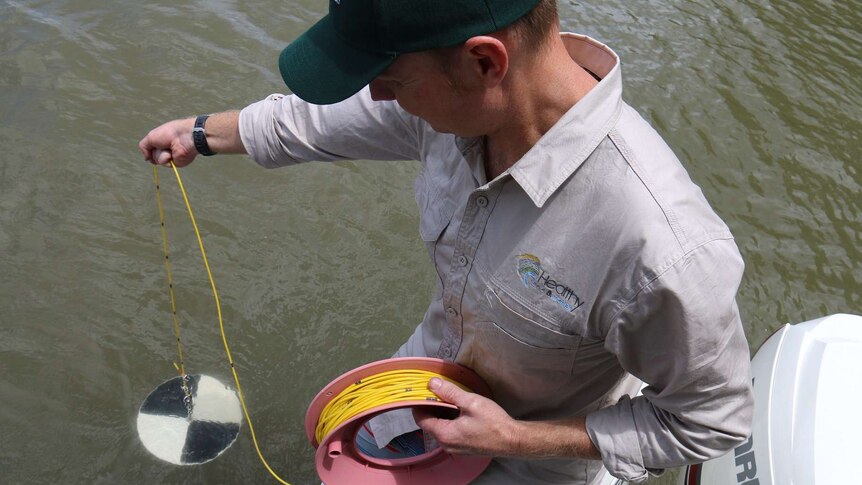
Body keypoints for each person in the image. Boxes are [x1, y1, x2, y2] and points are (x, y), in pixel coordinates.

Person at [139, 0, 754, 483]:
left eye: (392, 79)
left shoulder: (663, 251)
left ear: (484, 61)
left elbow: (711, 421)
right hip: (421, 383)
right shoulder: (451, 104)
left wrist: (515, 438)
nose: (378, 95)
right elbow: (316, 121)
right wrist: (201, 133)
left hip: (534, 465)